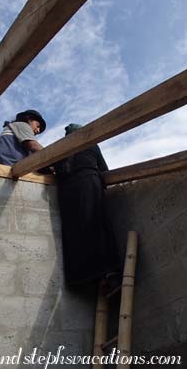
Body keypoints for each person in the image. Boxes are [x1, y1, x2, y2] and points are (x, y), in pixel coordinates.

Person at [54, 123, 121, 290]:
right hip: (88, 184)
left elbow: (44, 168)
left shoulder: (60, 149)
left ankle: (86, 280)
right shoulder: (91, 144)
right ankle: (109, 276)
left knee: (75, 233)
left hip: (66, 192)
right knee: (97, 226)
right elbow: (104, 169)